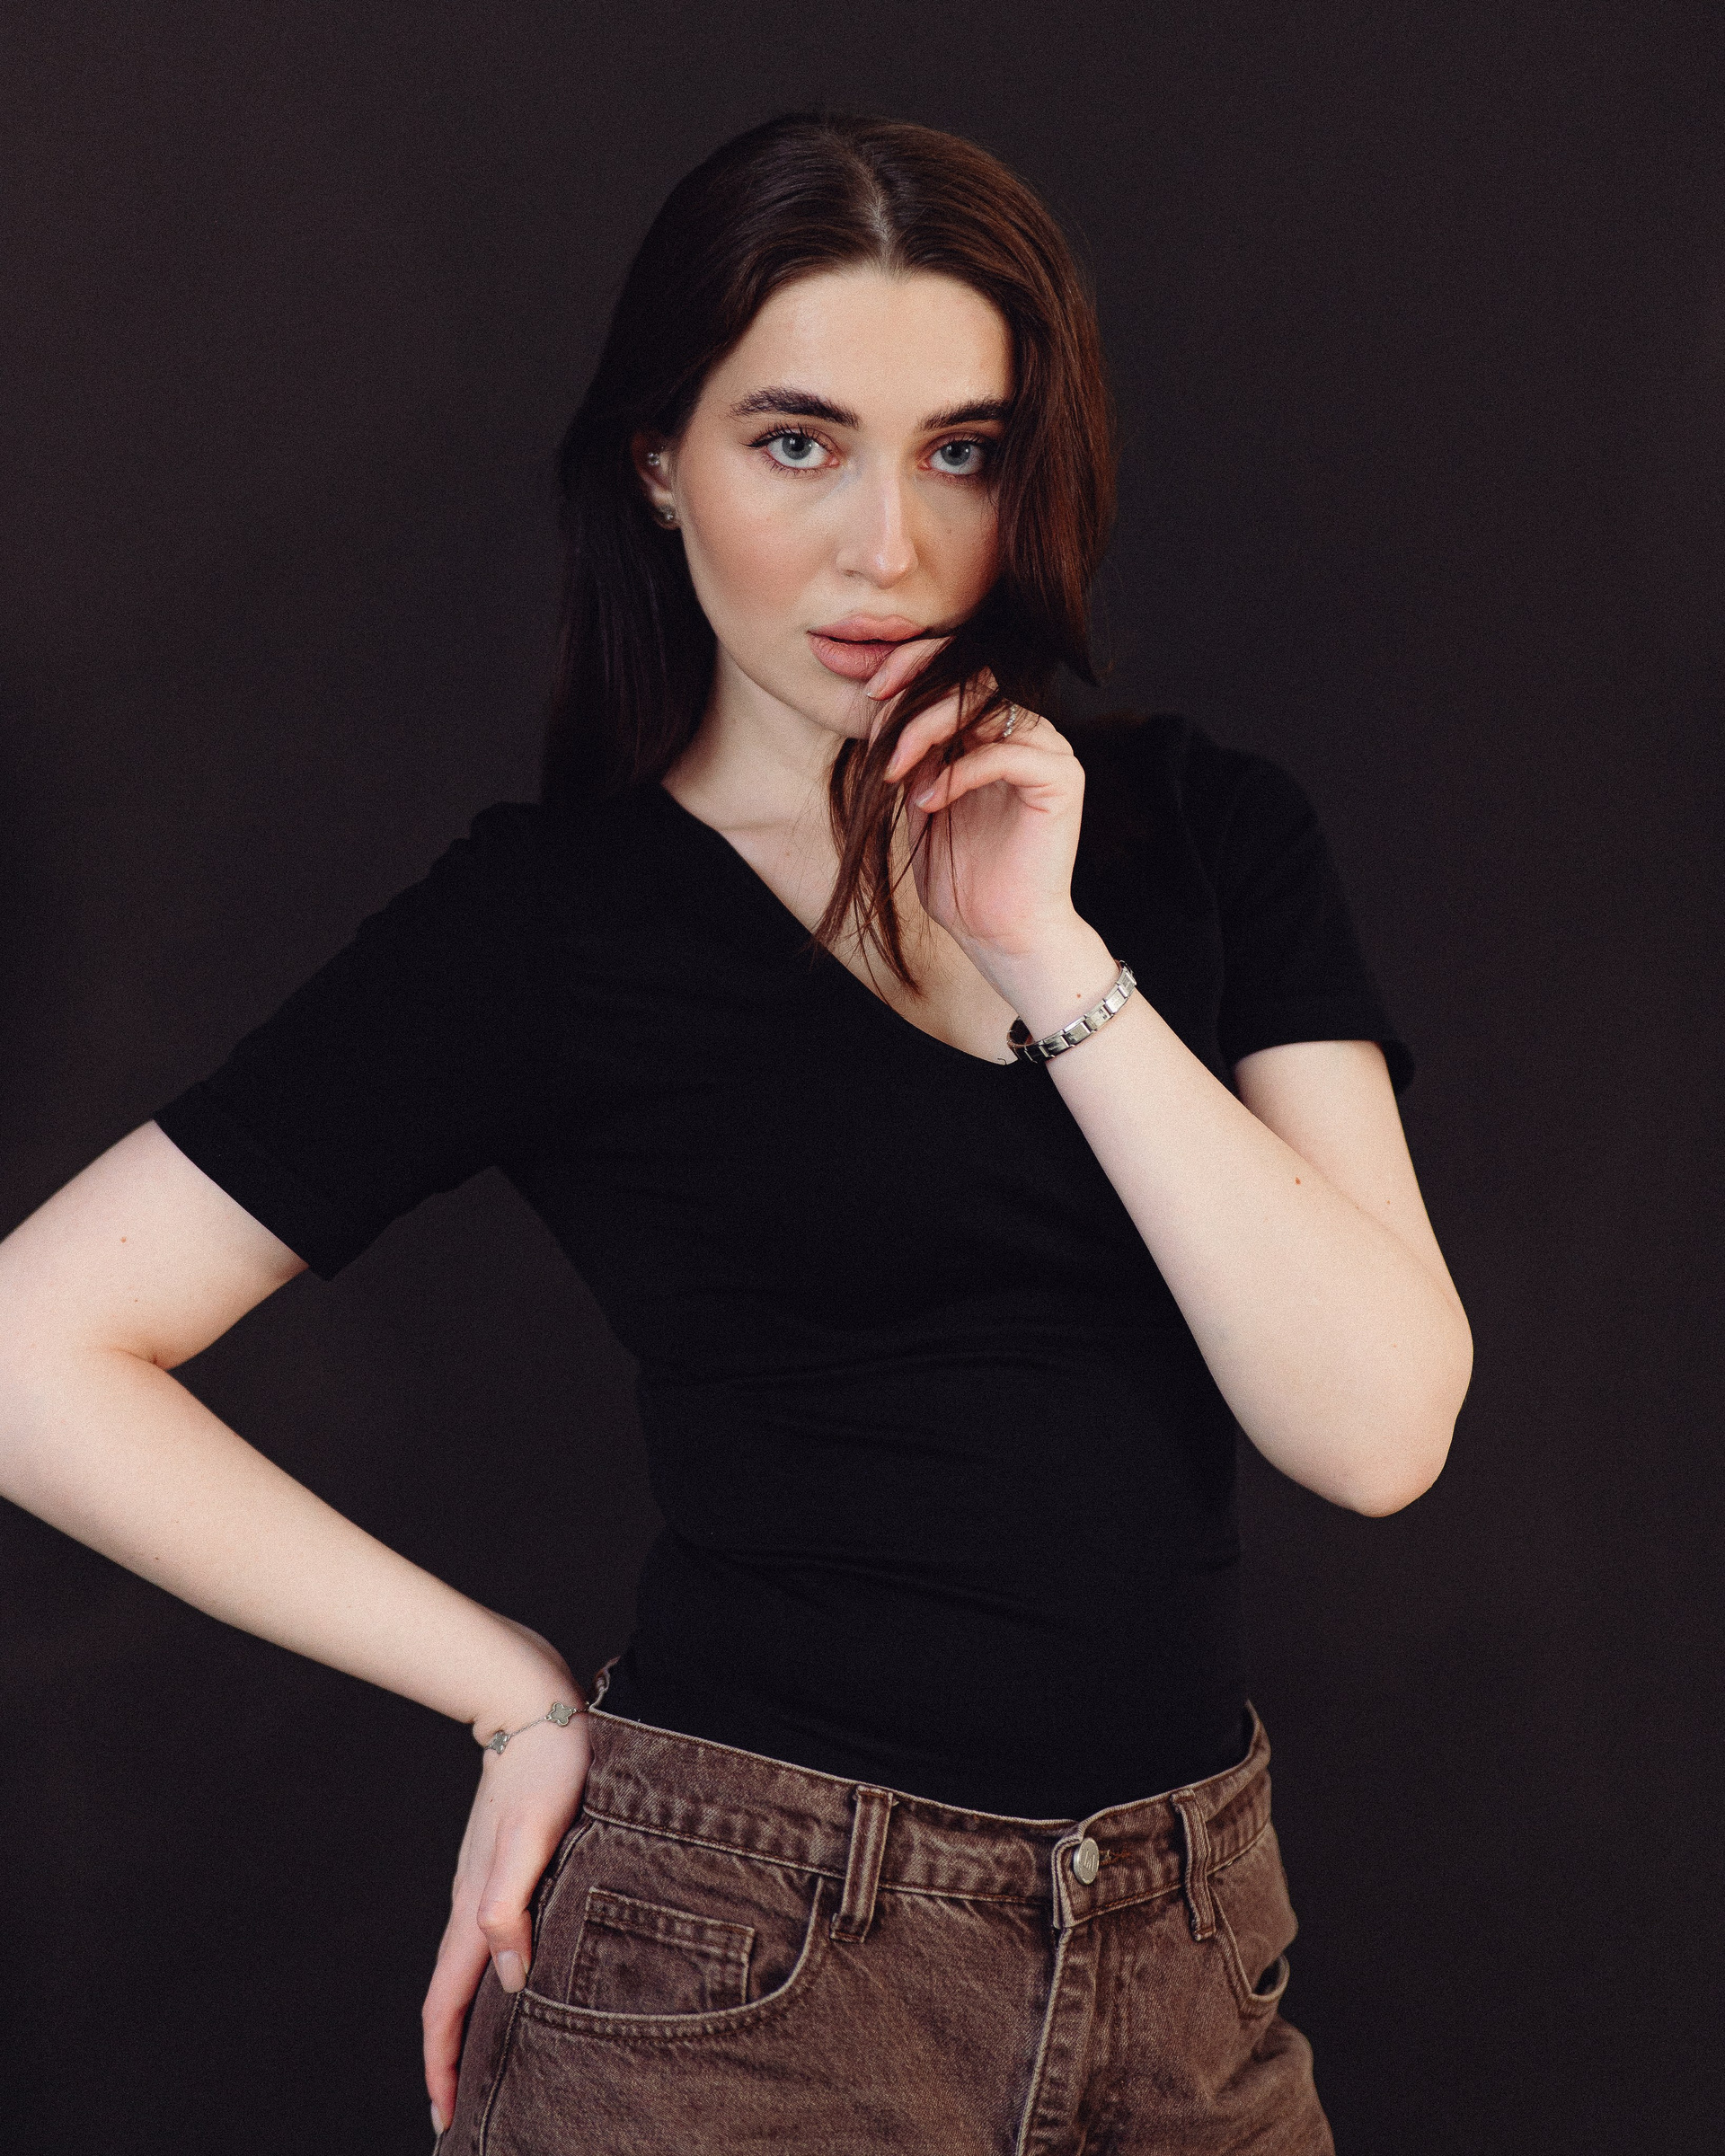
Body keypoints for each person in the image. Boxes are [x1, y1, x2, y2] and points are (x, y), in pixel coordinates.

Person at [0, 112, 1471, 2153]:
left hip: (1195, 1962)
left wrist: (1045, 949)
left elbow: (1377, 1432)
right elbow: (33, 1352)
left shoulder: (1206, 835)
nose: (889, 546)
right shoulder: (550, 926)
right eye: (797, 443)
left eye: (963, 451)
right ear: (657, 463)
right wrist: (509, 1690)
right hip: (753, 1973)